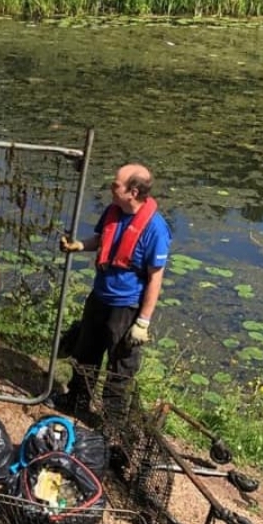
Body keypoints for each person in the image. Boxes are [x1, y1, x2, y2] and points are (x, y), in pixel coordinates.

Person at [56, 163, 171, 422]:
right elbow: (101, 239)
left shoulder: (156, 228)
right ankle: (76, 402)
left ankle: (111, 421)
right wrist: (78, 245)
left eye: (115, 185)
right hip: (100, 298)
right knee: (85, 354)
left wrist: (143, 321)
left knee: (120, 367)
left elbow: (155, 278)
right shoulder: (113, 211)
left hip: (126, 307)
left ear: (133, 191)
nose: (110, 187)